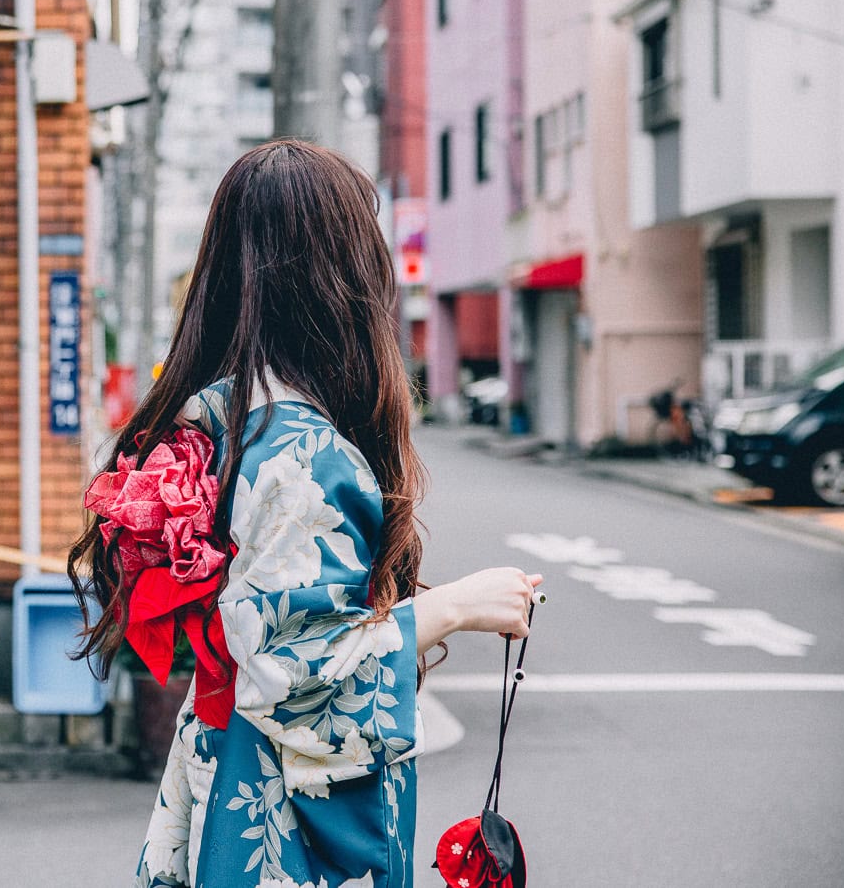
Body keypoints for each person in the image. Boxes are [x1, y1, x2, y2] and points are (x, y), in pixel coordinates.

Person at [70, 141, 542, 888]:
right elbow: (295, 670)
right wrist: (453, 608)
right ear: (340, 278)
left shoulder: (215, 416)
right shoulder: (307, 457)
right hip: (276, 807)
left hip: (221, 767)